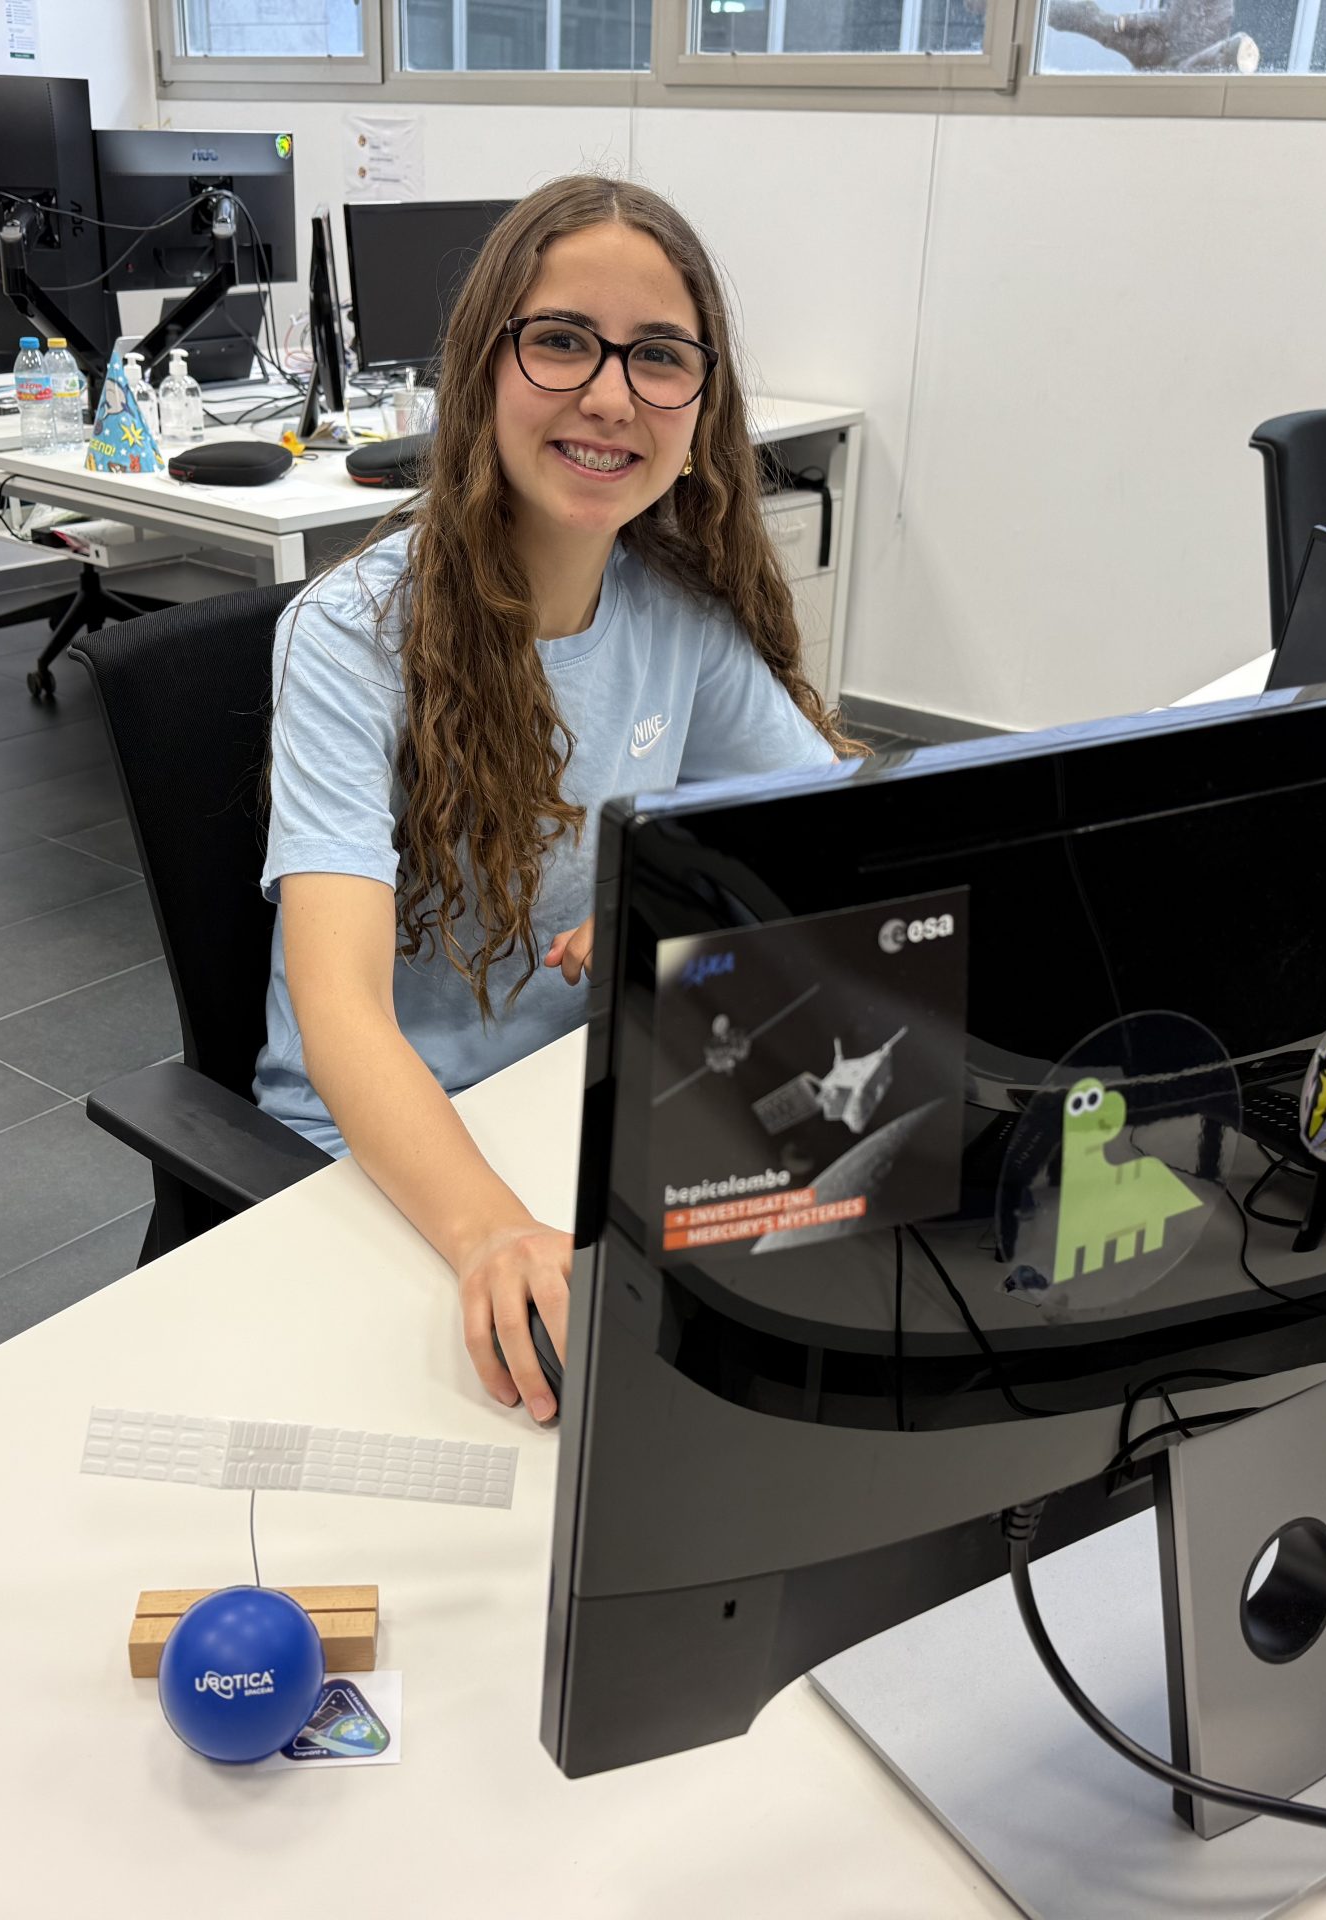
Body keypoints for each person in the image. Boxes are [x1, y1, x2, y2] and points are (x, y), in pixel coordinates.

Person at [256, 175, 864, 1421]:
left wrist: (680, 904)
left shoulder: (677, 616)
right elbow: (338, 1012)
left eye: (659, 356)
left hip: (579, 1098)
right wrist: (488, 1231)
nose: (610, 396)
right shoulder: (350, 635)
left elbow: (835, 838)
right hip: (379, 1156)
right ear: (483, 364)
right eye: (561, 341)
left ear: (701, 406)